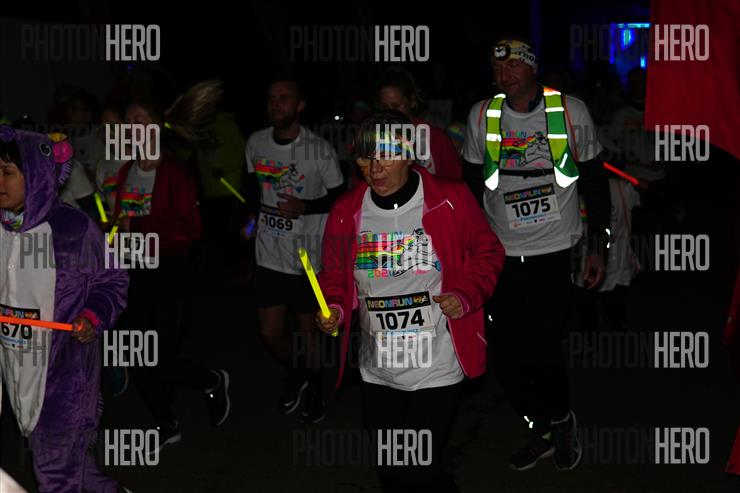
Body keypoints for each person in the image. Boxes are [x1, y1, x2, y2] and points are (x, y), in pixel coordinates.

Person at [316, 111, 505, 492]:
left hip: (436, 365)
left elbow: (489, 253)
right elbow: (334, 275)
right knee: (392, 471)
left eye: (385, 155)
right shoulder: (346, 212)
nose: (374, 169)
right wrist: (334, 307)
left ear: (408, 154)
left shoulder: (450, 199)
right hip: (379, 368)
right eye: (365, 158)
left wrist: (465, 294)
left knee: (419, 468)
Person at [462, 37, 610, 471]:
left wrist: (598, 247)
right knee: (506, 357)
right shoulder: (482, 115)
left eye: (512, 66)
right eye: (496, 68)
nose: (503, 75)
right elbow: (470, 186)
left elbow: (596, 183)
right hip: (500, 253)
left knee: (542, 348)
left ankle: (561, 421)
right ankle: (543, 428)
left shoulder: (570, 111)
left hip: (554, 249)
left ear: (532, 67)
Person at [0, 125, 130, 492]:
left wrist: (92, 316)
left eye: (7, 172)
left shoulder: (73, 229)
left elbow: (112, 279)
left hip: (64, 379)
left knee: (55, 476)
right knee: (76, 471)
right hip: (18, 374)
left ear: (36, 175)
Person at [111, 81, 231, 456]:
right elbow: (120, 221)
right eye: (128, 122)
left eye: (139, 120)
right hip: (132, 273)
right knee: (136, 353)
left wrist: (139, 224)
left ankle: (211, 380)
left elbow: (189, 230)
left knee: (160, 357)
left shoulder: (175, 173)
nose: (132, 127)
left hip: (167, 273)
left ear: (157, 126)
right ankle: (166, 423)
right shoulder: (126, 171)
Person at [244, 76, 345, 423]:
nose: (276, 104)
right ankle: (298, 373)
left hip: (307, 259)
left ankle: (314, 388)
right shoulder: (256, 142)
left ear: (300, 106)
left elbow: (339, 198)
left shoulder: (319, 149)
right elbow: (253, 188)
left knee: (308, 334)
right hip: (268, 254)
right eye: (272, 98)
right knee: (270, 333)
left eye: (284, 98)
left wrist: (306, 207)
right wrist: (249, 220)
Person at [378, 66, 462, 180]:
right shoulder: (377, 138)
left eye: (396, 106)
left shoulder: (436, 139)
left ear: (412, 101)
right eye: (384, 107)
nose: (389, 113)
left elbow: (454, 183)